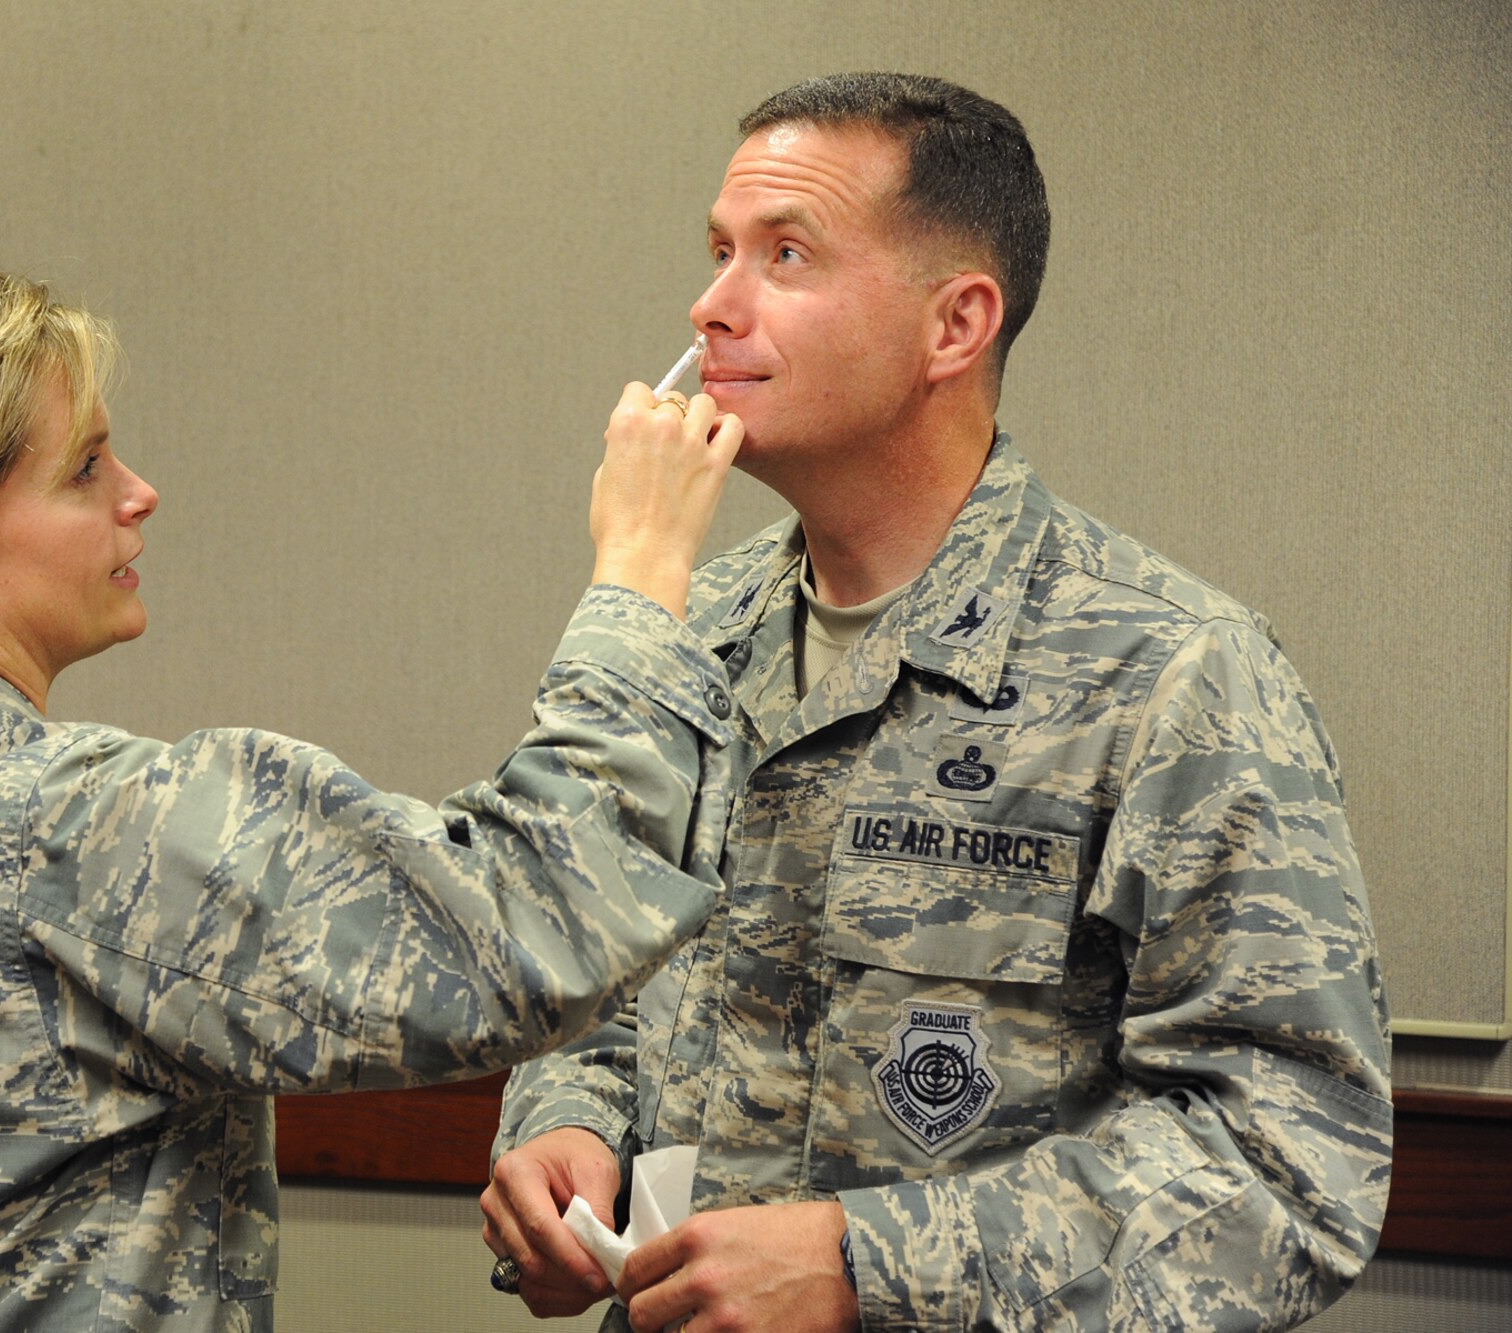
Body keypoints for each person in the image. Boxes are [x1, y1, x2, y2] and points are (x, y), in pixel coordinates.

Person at [482, 73, 1389, 1332]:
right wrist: (568, 1123)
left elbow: (1284, 1167)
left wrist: (868, 1264)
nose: (709, 306)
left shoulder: (1172, 672)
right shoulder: (685, 634)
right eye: (717, 252)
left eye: (783, 256)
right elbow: (604, 977)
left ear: (953, 326)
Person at [0, 261, 746, 1331]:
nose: (137, 492)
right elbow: (523, 922)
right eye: (84, 468)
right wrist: (642, 560)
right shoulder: (72, 830)